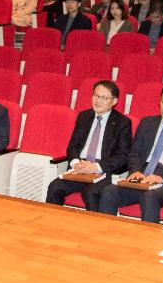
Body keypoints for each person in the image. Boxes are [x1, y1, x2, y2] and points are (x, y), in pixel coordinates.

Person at [95, 83, 163, 224]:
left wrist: (162, 178)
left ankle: (148, 242)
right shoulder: (147, 123)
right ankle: (106, 235)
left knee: (149, 196)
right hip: (142, 177)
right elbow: (134, 153)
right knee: (109, 191)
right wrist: (136, 170)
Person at [45, 80, 133, 208]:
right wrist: (76, 163)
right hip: (80, 168)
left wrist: (96, 167)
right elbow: (72, 146)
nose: (98, 101)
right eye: (96, 96)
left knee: (90, 193)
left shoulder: (122, 123)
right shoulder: (84, 116)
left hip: (102, 171)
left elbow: (123, 155)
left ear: (114, 101)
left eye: (103, 98)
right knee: (55, 187)